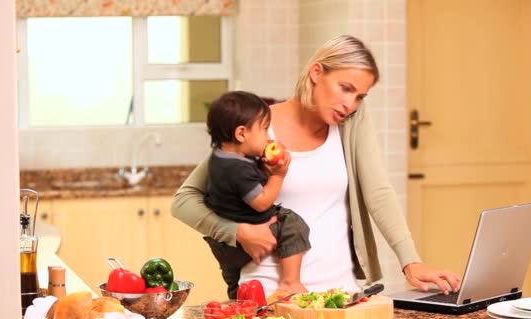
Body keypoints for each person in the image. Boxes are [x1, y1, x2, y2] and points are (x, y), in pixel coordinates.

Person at [172, 35, 460, 299]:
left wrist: (410, 261)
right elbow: (184, 201)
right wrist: (236, 232)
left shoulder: (351, 122)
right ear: (317, 72)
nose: (350, 104)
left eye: (360, 96)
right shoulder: (257, 129)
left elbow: (378, 191)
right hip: (269, 296)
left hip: (341, 294)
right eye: (345, 88)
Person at [202, 91, 311, 299]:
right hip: (251, 231)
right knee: (293, 222)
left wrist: (261, 164)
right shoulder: (238, 169)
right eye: (263, 129)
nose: (269, 137)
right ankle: (291, 282)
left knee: (235, 284)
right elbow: (261, 203)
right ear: (241, 134)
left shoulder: (220, 157)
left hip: (224, 245)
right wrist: (278, 175)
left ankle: (236, 299)